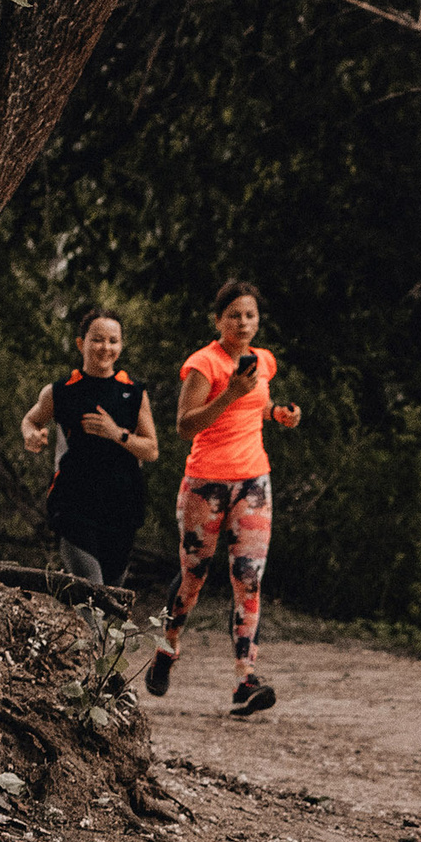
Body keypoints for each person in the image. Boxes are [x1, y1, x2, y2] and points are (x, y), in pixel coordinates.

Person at [145, 279, 301, 716]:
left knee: (248, 580)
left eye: (250, 315)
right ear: (218, 321)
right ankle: (167, 645)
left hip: (254, 482)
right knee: (193, 577)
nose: (244, 322)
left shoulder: (263, 361)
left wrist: (279, 414)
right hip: (206, 484)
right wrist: (229, 393)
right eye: (234, 315)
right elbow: (184, 426)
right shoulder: (204, 364)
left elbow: (258, 407)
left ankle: (245, 680)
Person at [20, 307, 158, 588]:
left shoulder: (133, 393)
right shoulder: (61, 390)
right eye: (97, 339)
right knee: (90, 590)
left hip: (121, 507)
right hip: (74, 504)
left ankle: (92, 634)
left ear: (121, 345)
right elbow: (30, 421)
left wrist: (116, 433)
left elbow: (151, 450)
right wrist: (31, 436)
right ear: (81, 343)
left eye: (113, 340)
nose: (105, 347)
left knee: (110, 597)